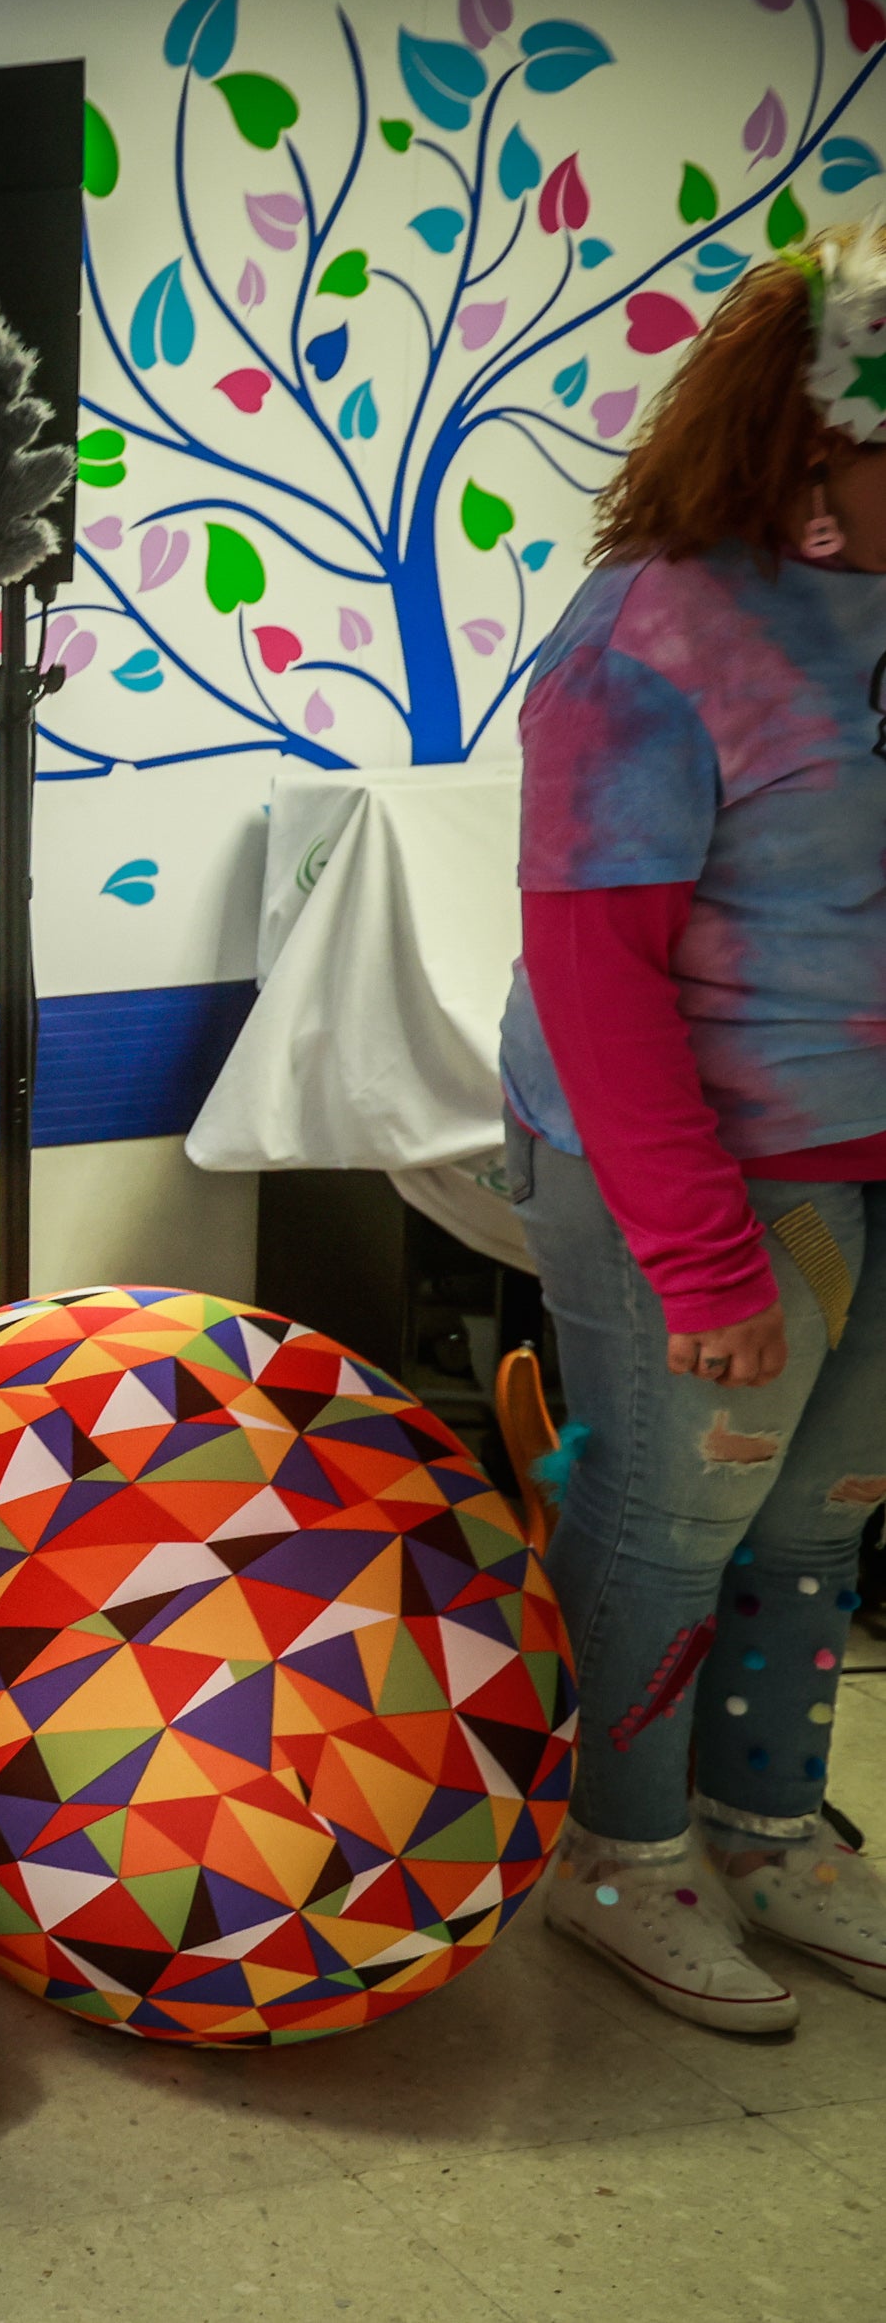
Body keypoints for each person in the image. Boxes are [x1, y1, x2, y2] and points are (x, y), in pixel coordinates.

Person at [505, 230, 886, 2032]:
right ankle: (614, 1844)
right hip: (700, 1157)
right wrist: (699, 1248)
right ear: (814, 445)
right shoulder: (652, 639)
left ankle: (764, 1822)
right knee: (672, 1519)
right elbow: (595, 974)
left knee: (823, 1518)